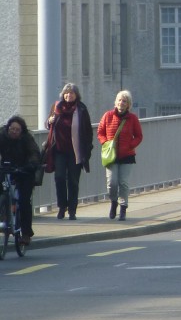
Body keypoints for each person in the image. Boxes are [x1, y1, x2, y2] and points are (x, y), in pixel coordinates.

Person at [44, 83, 93, 220]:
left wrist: (87, 149)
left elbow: (88, 131)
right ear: (63, 94)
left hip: (75, 152)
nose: (69, 95)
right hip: (59, 150)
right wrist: (50, 120)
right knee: (59, 178)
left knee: (73, 180)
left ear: (76, 95)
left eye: (71, 93)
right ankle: (61, 207)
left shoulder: (81, 109)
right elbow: (47, 124)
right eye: (66, 92)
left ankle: (72, 209)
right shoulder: (57, 107)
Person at [97, 90, 143, 220]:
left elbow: (139, 136)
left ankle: (123, 208)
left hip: (127, 155)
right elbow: (100, 132)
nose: (121, 103)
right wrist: (105, 143)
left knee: (123, 183)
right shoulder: (108, 116)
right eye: (119, 100)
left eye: (124, 101)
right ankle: (113, 202)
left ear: (128, 105)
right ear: (115, 102)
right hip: (111, 155)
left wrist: (130, 145)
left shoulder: (132, 118)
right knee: (112, 183)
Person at [0, 115, 41, 245]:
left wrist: (31, 165)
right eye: (12, 129)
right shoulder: (2, 136)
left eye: (17, 130)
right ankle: (4, 216)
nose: (14, 131)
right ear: (8, 128)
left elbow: (34, 153)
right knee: (2, 193)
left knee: (24, 201)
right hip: (6, 168)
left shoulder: (27, 139)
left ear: (22, 130)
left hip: (24, 170)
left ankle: (26, 233)